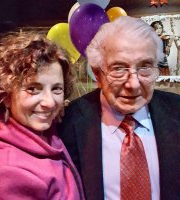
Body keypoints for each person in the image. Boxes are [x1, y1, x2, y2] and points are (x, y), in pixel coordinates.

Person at [58, 16, 180, 200]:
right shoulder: (67, 123)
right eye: (119, 68)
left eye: (145, 67)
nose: (133, 84)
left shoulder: (176, 111)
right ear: (98, 75)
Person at [0, 31, 85, 200]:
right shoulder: (4, 174)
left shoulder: (36, 127)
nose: (49, 102)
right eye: (33, 89)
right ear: (5, 95)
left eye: (56, 88)